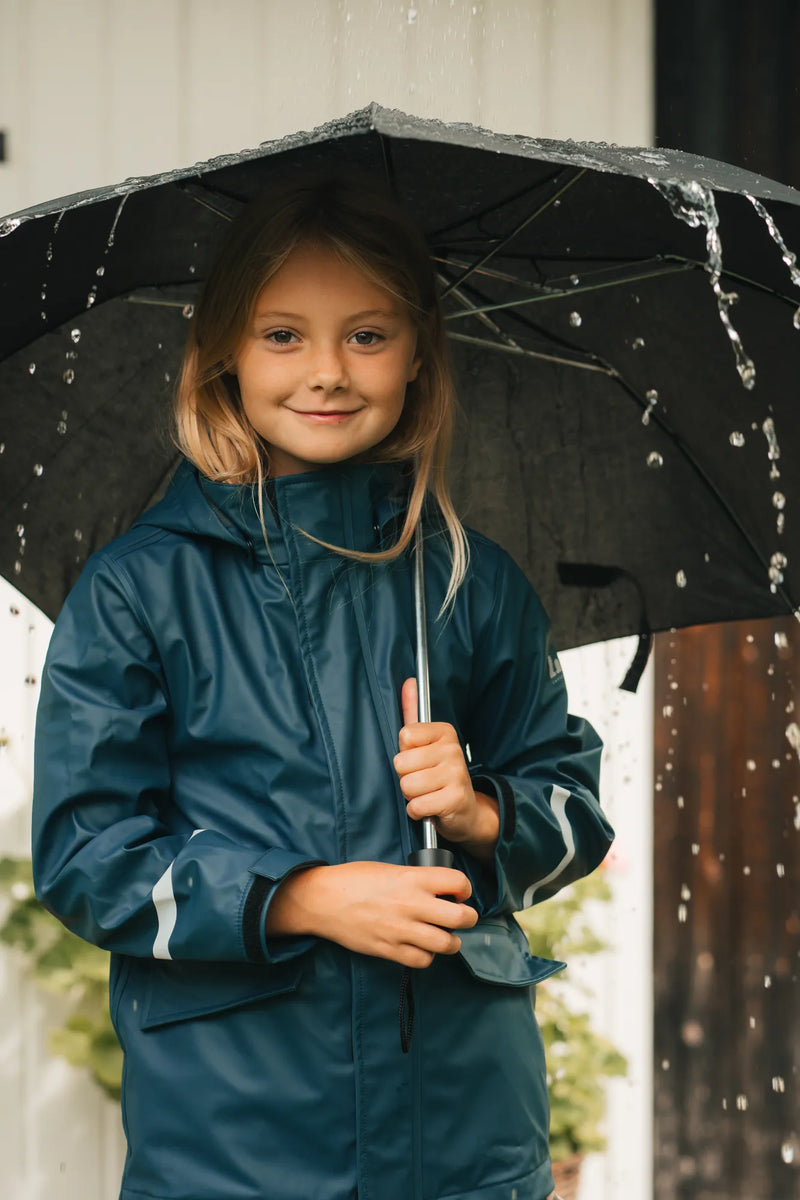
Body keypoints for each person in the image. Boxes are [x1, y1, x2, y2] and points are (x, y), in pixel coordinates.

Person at [31, 172, 614, 1200]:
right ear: (221, 352)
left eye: (368, 335)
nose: (328, 372)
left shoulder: (469, 583)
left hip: (463, 1136)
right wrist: (299, 897)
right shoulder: (142, 589)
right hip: (241, 1145)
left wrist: (481, 812)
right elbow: (88, 858)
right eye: (283, 335)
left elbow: (573, 812)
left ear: (418, 350)